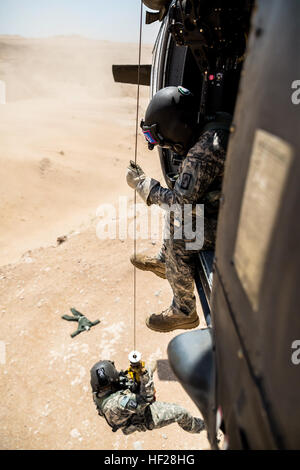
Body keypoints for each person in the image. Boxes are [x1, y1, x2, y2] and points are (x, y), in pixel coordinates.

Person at [126, 86, 231, 332]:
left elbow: (178, 202)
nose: (160, 145)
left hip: (241, 225)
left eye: (157, 138)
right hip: (235, 208)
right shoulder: (209, 128)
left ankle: (184, 311)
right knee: (181, 213)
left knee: (182, 234)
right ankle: (166, 262)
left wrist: (144, 186)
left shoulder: (203, 152)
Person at [90, 359, 205, 435]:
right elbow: (147, 398)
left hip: (127, 411)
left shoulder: (98, 392)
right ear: (112, 379)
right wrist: (144, 375)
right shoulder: (119, 403)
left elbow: (121, 381)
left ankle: (174, 366)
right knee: (181, 413)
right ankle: (201, 427)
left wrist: (134, 374)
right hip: (144, 418)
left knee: (151, 364)